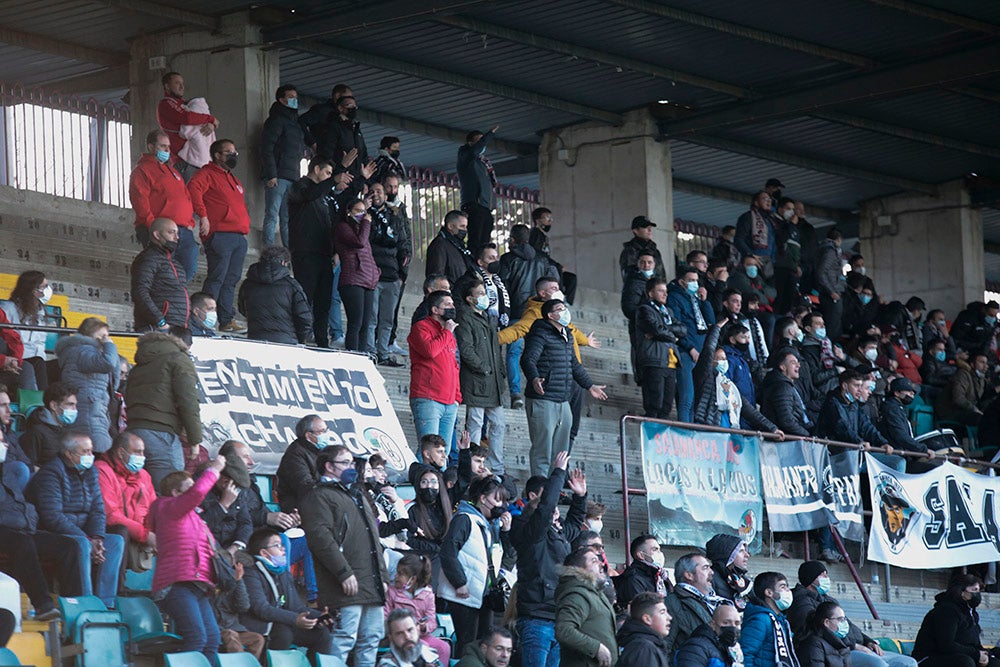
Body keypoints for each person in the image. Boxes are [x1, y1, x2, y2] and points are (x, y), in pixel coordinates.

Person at [300, 446, 388, 667]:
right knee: (344, 638)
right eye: (346, 463)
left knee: (371, 639)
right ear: (329, 466)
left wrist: (383, 578)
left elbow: (373, 541)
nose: (352, 468)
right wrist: (343, 572)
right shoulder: (319, 496)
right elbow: (322, 540)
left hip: (371, 582)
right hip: (346, 583)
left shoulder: (356, 494)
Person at [27, 431, 125, 607]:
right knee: (81, 544)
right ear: (68, 454)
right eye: (85, 452)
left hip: (83, 533)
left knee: (115, 541)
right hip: (49, 534)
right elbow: (52, 517)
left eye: (91, 451)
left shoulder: (91, 472)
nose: (90, 456)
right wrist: (88, 540)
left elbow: (97, 509)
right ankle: (85, 603)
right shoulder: (50, 474)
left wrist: (97, 538)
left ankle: (106, 603)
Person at [510, 450, 587, 667]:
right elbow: (544, 510)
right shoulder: (527, 530)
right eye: (551, 510)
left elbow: (573, 524)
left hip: (557, 618)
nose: (555, 513)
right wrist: (558, 473)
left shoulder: (557, 532)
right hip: (536, 619)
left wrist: (580, 497)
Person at [148, 456, 226, 660]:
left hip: (198, 585)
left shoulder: (194, 517)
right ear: (175, 493)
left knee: (212, 639)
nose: (195, 492)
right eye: (188, 489)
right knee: (197, 638)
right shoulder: (168, 508)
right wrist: (215, 470)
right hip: (177, 584)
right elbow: (198, 492)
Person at [522, 299, 607, 476]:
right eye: (560, 309)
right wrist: (534, 378)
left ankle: (555, 487)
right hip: (543, 398)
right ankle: (539, 489)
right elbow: (528, 359)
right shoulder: (540, 333)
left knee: (561, 451)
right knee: (542, 448)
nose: (565, 312)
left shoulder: (567, 334)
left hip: (563, 399)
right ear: (550, 315)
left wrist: (589, 385)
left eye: (565, 308)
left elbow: (574, 365)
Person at [287, 155, 356, 348]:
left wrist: (335, 250)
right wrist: (334, 180)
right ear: (316, 169)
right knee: (304, 297)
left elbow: (332, 222)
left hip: (325, 254)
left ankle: (322, 341)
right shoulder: (299, 186)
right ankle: (299, 337)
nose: (329, 177)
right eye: (327, 172)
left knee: (324, 302)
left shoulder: (324, 196)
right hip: (305, 252)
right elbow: (309, 194)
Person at [789, 561, 915, 667]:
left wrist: (868, 641)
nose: (827, 579)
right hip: (837, 651)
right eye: (822, 576)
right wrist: (853, 645)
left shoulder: (829, 600)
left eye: (826, 575)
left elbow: (849, 626)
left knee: (908, 662)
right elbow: (814, 630)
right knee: (879, 665)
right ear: (811, 579)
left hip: (852, 647)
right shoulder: (800, 601)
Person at [438, 476, 511, 656]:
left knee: (483, 645)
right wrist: (459, 582)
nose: (502, 505)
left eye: (503, 501)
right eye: (497, 499)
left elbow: (507, 557)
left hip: (484, 596)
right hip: (463, 595)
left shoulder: (492, 526)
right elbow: (448, 552)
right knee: (467, 645)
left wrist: (506, 533)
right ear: (483, 499)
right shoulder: (465, 519)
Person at [0, 428, 65, 621]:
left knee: (68, 545)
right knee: (22, 543)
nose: (5, 446)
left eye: (4, 441)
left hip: (17, 527)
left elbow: (19, 504)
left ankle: (74, 608)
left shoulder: (5, 471)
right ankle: (43, 605)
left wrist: (27, 520)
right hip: (8, 530)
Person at [124, 330, 202, 490]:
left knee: (142, 490)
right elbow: (188, 400)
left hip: (134, 432)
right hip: (161, 433)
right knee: (171, 491)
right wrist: (195, 439)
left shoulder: (139, 366)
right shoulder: (179, 359)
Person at [189, 138, 251, 333]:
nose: (234, 156)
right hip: (220, 234)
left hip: (238, 236)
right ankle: (202, 320)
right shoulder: (207, 174)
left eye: (235, 153)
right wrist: (203, 216)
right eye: (229, 152)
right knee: (217, 277)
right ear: (217, 155)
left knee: (231, 279)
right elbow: (193, 189)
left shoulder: (234, 179)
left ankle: (226, 320)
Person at [242, 528, 333, 657]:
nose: (283, 549)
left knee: (321, 633)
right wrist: (295, 619)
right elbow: (261, 609)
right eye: (277, 545)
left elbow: (295, 607)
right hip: (259, 625)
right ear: (264, 553)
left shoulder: (282, 572)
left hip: (282, 622)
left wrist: (318, 616)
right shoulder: (250, 572)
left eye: (282, 545)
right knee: (283, 633)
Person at [128, 129, 199, 281]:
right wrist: (153, 226)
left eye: (168, 147)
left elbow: (186, 196)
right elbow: (140, 200)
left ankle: (176, 298)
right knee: (163, 271)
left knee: (187, 269)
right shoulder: (142, 170)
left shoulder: (173, 172)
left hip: (183, 230)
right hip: (160, 230)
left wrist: (190, 223)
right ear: (151, 147)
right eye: (163, 146)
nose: (167, 150)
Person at [455, 279, 507, 475]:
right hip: (477, 380)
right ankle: (472, 465)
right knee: (475, 423)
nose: (485, 296)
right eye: (480, 293)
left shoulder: (488, 317)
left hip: (493, 382)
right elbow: (466, 349)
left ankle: (496, 467)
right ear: (470, 299)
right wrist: (483, 368)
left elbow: (496, 349)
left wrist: (499, 371)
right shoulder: (465, 317)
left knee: (499, 424)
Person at [693, 320, 781, 433]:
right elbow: (708, 350)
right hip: (709, 435)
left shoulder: (729, 385)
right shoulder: (705, 377)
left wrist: (772, 428)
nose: (724, 362)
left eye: (724, 359)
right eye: (720, 358)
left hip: (730, 436)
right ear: (711, 361)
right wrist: (716, 329)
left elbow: (749, 410)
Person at [95, 431, 156, 586]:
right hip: (112, 530)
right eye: (137, 452)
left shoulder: (144, 475)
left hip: (139, 533)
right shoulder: (101, 470)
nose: (142, 456)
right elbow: (109, 514)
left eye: (143, 452)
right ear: (121, 452)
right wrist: (145, 534)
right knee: (121, 531)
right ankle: (117, 591)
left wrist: (156, 531)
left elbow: (154, 509)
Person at [408, 290, 462, 457]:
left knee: (441, 453)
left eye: (452, 304)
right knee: (428, 451)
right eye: (447, 304)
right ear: (435, 309)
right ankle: (421, 482)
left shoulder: (449, 334)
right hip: (428, 397)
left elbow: (454, 366)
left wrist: (457, 397)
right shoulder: (421, 327)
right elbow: (430, 351)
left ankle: (439, 482)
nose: (452, 307)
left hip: (449, 401)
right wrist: (446, 332)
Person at [55, 317, 119, 453]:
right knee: (99, 452)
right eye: (101, 336)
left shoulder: (92, 353)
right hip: (89, 412)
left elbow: (115, 381)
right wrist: (110, 346)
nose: (105, 339)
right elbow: (108, 364)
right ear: (89, 335)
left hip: (96, 410)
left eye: (107, 336)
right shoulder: (83, 351)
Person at [912, 574, 996, 667]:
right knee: (965, 662)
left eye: (979, 590)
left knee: (993, 662)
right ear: (961, 592)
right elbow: (945, 645)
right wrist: (976, 654)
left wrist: (984, 654)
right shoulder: (946, 610)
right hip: (930, 657)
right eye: (974, 590)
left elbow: (974, 643)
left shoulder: (972, 613)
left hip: (957, 655)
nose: (978, 594)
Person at [554, 546, 618, 667]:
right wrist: (596, 648)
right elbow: (564, 630)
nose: (601, 564)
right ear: (579, 569)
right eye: (594, 561)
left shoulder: (595, 594)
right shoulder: (577, 594)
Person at [667, 267, 716, 422]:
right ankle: (684, 429)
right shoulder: (674, 298)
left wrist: (705, 301)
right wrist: (690, 348)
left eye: (696, 280)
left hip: (701, 353)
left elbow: (711, 323)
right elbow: (676, 327)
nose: (695, 283)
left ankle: (693, 429)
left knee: (697, 398)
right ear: (682, 282)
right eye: (691, 280)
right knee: (687, 396)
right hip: (685, 353)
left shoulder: (695, 299)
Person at [367, 181, 408, 365]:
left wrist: (402, 274)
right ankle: (369, 351)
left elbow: (403, 245)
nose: (375, 194)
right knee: (371, 318)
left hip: (392, 275)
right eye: (372, 191)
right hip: (372, 274)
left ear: (385, 195)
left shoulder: (395, 216)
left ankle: (382, 352)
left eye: (379, 191)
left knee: (387, 320)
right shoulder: (364, 214)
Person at [237, 245, 312, 344]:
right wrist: (299, 338)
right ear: (283, 263)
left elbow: (242, 309)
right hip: (287, 342)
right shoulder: (292, 285)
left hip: (255, 340)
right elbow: (305, 318)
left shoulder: (247, 284)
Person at [383, 553, 451, 664]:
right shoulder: (391, 592)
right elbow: (385, 616)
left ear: (413, 579)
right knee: (424, 647)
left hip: (421, 635)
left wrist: (424, 627)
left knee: (444, 647)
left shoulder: (427, 595)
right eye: (397, 572)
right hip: (400, 636)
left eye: (400, 574)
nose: (395, 576)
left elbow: (432, 621)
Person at [260, 84, 306, 247]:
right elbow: (267, 147)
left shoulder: (295, 123)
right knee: (272, 215)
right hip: (278, 177)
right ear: (281, 100)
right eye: (291, 97)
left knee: (287, 218)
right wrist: (271, 174)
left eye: (296, 96)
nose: (295, 100)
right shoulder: (276, 121)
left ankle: (290, 252)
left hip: (292, 177)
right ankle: (268, 250)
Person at [633, 277, 685, 419]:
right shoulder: (644, 310)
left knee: (667, 405)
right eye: (661, 291)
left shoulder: (668, 311)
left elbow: (683, 330)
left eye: (666, 291)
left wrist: (665, 330)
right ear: (650, 293)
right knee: (654, 403)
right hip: (654, 360)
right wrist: (672, 335)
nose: (665, 294)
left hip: (671, 361)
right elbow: (656, 329)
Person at [335, 197, 381, 352]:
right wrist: (366, 223)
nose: (363, 214)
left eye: (364, 211)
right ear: (349, 212)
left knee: (365, 325)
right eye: (358, 211)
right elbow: (359, 242)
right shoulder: (343, 227)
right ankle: (352, 355)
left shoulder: (363, 229)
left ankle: (362, 356)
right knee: (356, 322)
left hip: (368, 280)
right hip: (352, 280)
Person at [130, 218, 191, 332]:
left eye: (177, 233)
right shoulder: (148, 258)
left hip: (176, 329)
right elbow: (140, 292)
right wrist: (160, 322)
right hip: (156, 329)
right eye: (171, 232)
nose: (176, 237)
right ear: (157, 235)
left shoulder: (175, 264)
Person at [156, 71, 218, 179]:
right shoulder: (166, 104)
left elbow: (197, 117)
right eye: (177, 83)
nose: (182, 86)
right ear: (167, 86)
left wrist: (211, 125)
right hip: (184, 162)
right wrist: (211, 119)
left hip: (200, 160)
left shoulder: (187, 104)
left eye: (182, 83)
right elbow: (187, 118)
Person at [3, 271, 54, 389]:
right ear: (32, 289)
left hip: (37, 360)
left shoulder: (40, 312)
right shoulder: (9, 308)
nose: (48, 289)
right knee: (35, 365)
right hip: (16, 358)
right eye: (44, 286)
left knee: (45, 364)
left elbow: (40, 343)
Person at [664, 552, 721, 655]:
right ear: (689, 575)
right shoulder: (672, 603)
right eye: (705, 568)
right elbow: (663, 648)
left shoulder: (715, 602)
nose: (712, 572)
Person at [741, 572, 799, 667]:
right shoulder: (761, 619)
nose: (788, 591)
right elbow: (745, 654)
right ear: (769, 592)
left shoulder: (781, 621)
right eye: (783, 587)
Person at [879, 378, 936, 472]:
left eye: (913, 392)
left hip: (902, 455)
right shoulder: (892, 408)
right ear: (897, 393)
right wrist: (923, 450)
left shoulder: (898, 408)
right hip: (894, 457)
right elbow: (900, 436)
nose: (912, 394)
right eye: (908, 391)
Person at [275, 414, 329, 513]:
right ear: (308, 435)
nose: (326, 434)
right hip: (300, 510)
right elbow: (305, 486)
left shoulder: (320, 451)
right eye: (322, 431)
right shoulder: (295, 454)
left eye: (326, 430)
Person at [457, 126, 499, 252]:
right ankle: (473, 264)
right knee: (475, 241)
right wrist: (490, 134)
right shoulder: (465, 155)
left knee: (485, 243)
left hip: (486, 207)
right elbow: (473, 151)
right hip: (475, 204)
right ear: (470, 143)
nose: (483, 144)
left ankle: (482, 265)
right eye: (480, 141)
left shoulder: (483, 163)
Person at [21, 382, 77, 466]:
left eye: (75, 405)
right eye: (70, 404)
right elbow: (29, 467)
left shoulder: (68, 432)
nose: (75, 409)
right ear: (54, 405)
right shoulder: (35, 432)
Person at [758, 349, 812, 437]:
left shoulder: (787, 385)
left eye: (798, 362)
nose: (798, 365)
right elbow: (787, 421)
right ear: (782, 367)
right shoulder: (782, 387)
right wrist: (807, 435)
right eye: (793, 363)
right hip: (785, 441)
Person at [675, 602, 745, 667]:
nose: (732, 627)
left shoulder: (734, 650)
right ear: (713, 625)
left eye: (737, 623)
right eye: (726, 622)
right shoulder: (696, 647)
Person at [616, 592, 672, 667]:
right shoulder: (643, 648)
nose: (669, 617)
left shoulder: (643, 645)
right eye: (662, 612)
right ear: (647, 619)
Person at [614, 535, 670, 609]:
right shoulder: (633, 579)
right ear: (641, 555)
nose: (660, 553)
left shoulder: (659, 575)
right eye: (655, 549)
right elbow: (642, 609)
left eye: (659, 550)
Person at [936, 351, 989, 428]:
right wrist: (974, 409)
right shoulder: (962, 374)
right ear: (972, 364)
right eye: (982, 362)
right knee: (981, 419)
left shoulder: (981, 379)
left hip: (965, 411)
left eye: (986, 363)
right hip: (951, 412)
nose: (986, 366)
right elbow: (958, 398)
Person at [793, 601, 852, 667]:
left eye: (844, 619)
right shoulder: (813, 644)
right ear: (827, 622)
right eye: (840, 619)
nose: (845, 623)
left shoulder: (843, 643)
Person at [378, 609, 443, 667]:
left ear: (417, 630)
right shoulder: (387, 664)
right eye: (399, 633)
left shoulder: (431, 656)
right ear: (391, 638)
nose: (407, 637)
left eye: (410, 630)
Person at [426, 210, 475, 286]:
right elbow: (437, 275)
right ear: (450, 226)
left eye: (466, 227)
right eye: (462, 226)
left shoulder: (458, 246)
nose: (465, 230)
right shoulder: (440, 245)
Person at [734, 192, 776, 276]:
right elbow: (738, 239)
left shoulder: (770, 221)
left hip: (769, 263)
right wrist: (750, 254)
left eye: (769, 199)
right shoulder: (748, 217)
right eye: (764, 199)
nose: (768, 201)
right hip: (753, 261)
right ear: (756, 202)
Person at [706, 534, 751, 611]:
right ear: (727, 554)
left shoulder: (741, 579)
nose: (747, 555)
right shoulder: (709, 579)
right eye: (740, 551)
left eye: (745, 551)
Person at [815, 229, 845, 343]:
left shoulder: (823, 250)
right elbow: (821, 272)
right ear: (838, 239)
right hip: (831, 294)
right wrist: (832, 291)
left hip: (830, 292)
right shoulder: (830, 251)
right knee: (833, 326)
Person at [619, 216, 665, 280]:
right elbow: (628, 278)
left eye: (650, 227)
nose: (650, 230)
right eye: (646, 228)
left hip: (656, 288)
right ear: (635, 231)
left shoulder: (655, 251)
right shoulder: (629, 251)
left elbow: (661, 274)